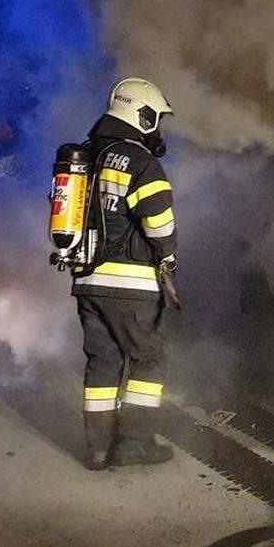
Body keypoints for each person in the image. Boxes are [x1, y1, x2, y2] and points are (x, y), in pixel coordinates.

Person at [73, 78, 178, 471]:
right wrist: (168, 258)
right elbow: (159, 223)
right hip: (131, 286)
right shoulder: (139, 161)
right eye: (157, 120)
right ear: (144, 116)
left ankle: (97, 450)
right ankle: (134, 445)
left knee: (102, 363)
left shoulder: (85, 157)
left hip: (86, 282)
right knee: (149, 361)